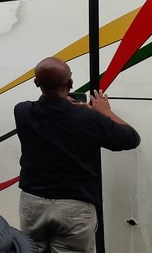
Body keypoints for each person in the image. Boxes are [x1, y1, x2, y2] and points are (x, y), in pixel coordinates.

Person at [14, 57, 141, 253]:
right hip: (74, 207)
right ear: (71, 84)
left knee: (30, 249)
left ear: (36, 83)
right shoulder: (89, 118)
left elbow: (53, 115)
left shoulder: (22, 111)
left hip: (33, 203)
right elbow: (131, 138)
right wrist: (104, 112)